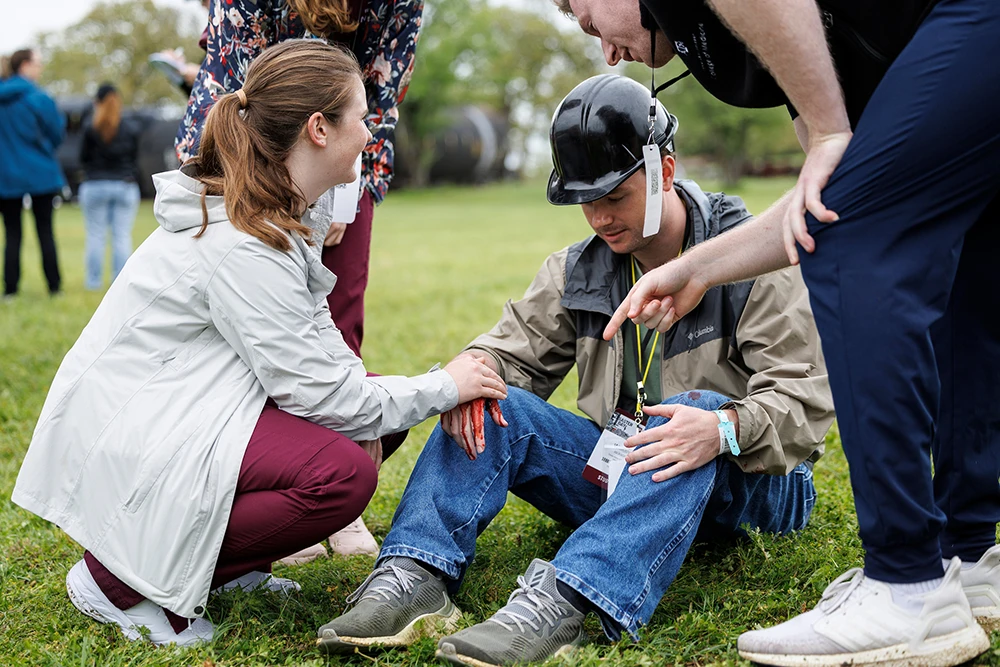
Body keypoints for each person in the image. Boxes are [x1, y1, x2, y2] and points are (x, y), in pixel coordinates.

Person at [314, 74, 834, 666]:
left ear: (664, 170)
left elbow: (804, 405)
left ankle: (567, 601)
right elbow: (504, 353)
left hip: (755, 483)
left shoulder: (752, 255)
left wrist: (720, 430)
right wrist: (474, 370)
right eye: (585, 201)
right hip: (626, 476)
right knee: (489, 395)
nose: (599, 219)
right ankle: (414, 574)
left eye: (613, 197)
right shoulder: (578, 269)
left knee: (697, 411)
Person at [10, 40, 507, 648]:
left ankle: (233, 566)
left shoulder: (274, 214)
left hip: (183, 416)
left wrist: (425, 389)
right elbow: (322, 394)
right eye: (360, 113)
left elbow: (330, 365)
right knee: (342, 475)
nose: (371, 126)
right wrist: (442, 386)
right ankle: (114, 581)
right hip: (140, 441)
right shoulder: (245, 242)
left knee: (379, 415)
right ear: (319, 129)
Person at [562, 0, 1000, 665]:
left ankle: (907, 582)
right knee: (969, 267)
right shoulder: (787, 55)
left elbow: (839, 217)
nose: (607, 51)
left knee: (856, 249)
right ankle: (970, 556)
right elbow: (817, 202)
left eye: (591, 20)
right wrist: (698, 267)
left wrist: (828, 129)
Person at [175, 0, 423, 558]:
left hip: (342, 149)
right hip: (245, 153)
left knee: (340, 318)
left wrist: (341, 186)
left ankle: (336, 504)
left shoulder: (399, 3)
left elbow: (382, 93)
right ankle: (268, 481)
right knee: (249, 332)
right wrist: (288, 191)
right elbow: (239, 78)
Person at [0, 48, 64, 300]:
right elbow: (57, 135)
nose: (41, 68)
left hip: (6, 177)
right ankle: (54, 287)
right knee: (45, 231)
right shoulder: (40, 98)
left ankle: (10, 291)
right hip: (41, 174)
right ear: (24, 66)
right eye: (38, 63)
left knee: (12, 234)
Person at [78, 83, 143, 291]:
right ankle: (120, 282)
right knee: (121, 235)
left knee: (96, 235)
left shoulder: (90, 127)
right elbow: (134, 158)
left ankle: (93, 282)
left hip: (95, 184)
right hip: (124, 185)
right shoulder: (130, 127)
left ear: (97, 102)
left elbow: (83, 158)